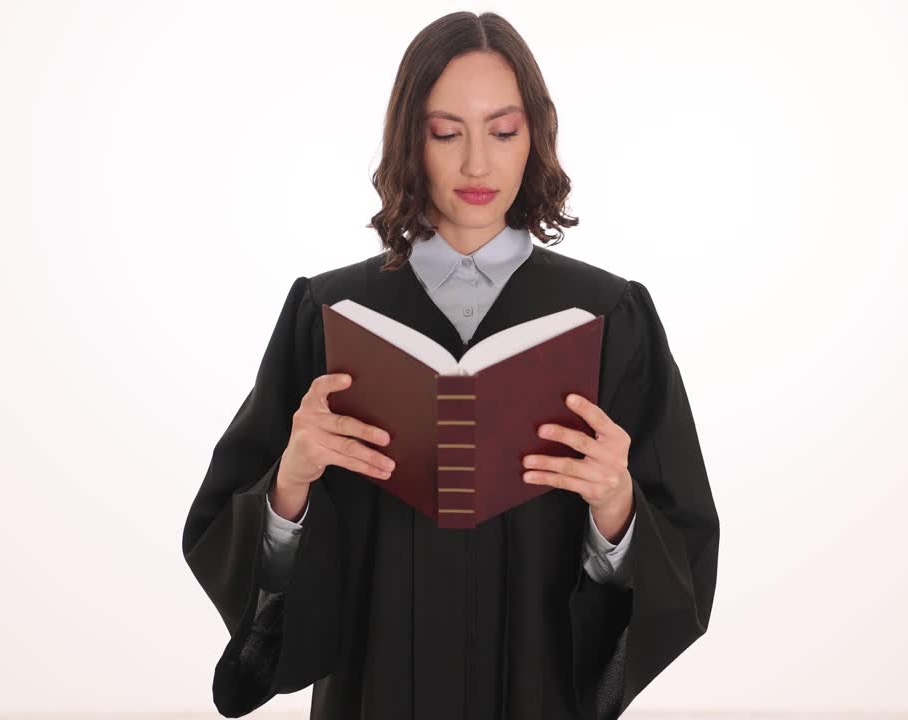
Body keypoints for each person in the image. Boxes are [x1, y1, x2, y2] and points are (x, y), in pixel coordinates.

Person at [181, 11, 719, 720]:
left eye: (503, 131)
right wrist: (289, 486)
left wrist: (617, 511)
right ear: (411, 139)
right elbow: (230, 542)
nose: (476, 165)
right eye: (446, 133)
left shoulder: (609, 319)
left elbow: (682, 554)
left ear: (535, 137)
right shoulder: (330, 315)